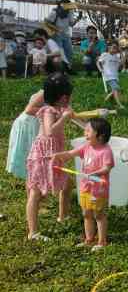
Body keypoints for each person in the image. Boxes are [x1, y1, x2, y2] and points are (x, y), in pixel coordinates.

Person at [25, 73, 75, 241]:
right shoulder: (48, 111)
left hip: (54, 155)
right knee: (36, 192)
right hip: (43, 156)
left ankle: (63, 217)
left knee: (68, 185)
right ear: (63, 97)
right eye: (69, 95)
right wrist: (64, 118)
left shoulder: (58, 109)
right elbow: (49, 132)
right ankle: (33, 232)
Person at [52, 118, 114, 252]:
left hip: (98, 190)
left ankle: (102, 241)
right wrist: (57, 155)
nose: (85, 133)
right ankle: (89, 239)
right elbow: (70, 154)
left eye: (88, 131)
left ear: (100, 135)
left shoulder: (106, 151)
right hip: (85, 187)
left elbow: (107, 168)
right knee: (86, 213)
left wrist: (96, 174)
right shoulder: (86, 147)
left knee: (99, 215)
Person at [6, 88, 45, 180]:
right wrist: (51, 111)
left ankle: (34, 188)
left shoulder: (62, 93)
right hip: (28, 126)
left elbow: (69, 113)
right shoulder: (46, 91)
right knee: (31, 164)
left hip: (35, 125)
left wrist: (85, 126)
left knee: (33, 167)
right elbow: (29, 109)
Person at [47, 0, 82, 72]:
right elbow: (47, 23)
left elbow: (71, 24)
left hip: (66, 35)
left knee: (69, 52)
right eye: (66, 5)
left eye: (68, 6)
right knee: (61, 52)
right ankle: (61, 69)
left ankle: (68, 68)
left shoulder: (69, 12)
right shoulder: (54, 12)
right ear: (61, 5)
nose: (67, 7)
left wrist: (78, 18)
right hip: (56, 35)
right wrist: (56, 29)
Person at [98, 42, 125, 109]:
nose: (115, 49)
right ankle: (119, 104)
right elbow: (98, 62)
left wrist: (121, 52)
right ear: (109, 48)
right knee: (116, 88)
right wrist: (100, 69)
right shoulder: (105, 54)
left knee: (115, 89)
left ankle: (106, 100)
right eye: (114, 47)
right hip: (108, 76)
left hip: (115, 76)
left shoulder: (116, 56)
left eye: (116, 48)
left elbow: (122, 62)